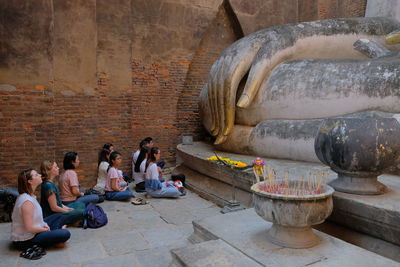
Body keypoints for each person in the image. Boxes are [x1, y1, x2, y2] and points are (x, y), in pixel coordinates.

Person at [11, 169, 71, 251]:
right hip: (26, 241)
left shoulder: (30, 195)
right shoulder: (27, 202)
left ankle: (55, 237)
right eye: (36, 175)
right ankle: (56, 237)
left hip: (34, 231)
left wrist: (44, 223)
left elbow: (35, 221)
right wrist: (45, 229)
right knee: (65, 233)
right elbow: (29, 228)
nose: (39, 175)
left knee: (60, 216)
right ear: (30, 181)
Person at [40, 160, 85, 227]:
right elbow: (54, 208)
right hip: (54, 215)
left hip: (59, 210)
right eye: (55, 167)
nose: (58, 168)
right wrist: (66, 211)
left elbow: (59, 203)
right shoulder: (48, 186)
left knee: (80, 205)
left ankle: (68, 223)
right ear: (49, 171)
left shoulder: (51, 183)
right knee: (81, 212)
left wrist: (67, 208)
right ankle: (63, 223)